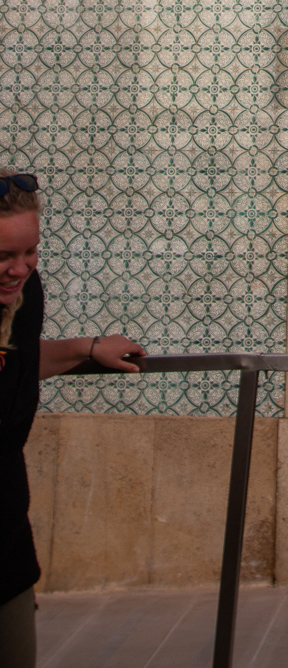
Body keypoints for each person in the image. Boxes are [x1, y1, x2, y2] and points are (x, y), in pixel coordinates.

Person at [0, 173, 146, 668]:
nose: (19, 269)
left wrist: (85, 348)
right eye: (3, 256)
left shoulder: (25, 294)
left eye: (31, 252)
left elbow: (15, 360)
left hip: (5, 534)